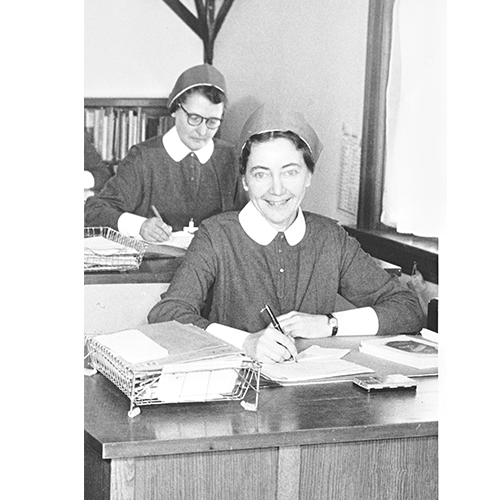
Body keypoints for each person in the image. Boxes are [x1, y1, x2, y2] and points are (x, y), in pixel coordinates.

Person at [148, 104, 425, 363]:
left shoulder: (330, 237)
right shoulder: (216, 235)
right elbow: (168, 314)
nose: (277, 189)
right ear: (244, 181)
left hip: (313, 389)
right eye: (261, 174)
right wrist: (245, 341)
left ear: (308, 176)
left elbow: (408, 308)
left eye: (290, 172)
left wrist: (330, 323)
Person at [84, 64, 245, 242]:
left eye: (212, 122)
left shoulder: (229, 156)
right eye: (194, 118)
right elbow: (95, 211)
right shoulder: (143, 158)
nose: (202, 131)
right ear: (175, 109)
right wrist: (140, 226)